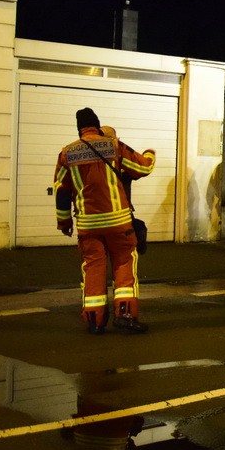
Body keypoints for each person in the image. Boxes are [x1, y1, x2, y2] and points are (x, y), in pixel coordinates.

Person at [54, 108, 156, 334]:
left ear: (79, 128)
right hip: (118, 223)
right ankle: (126, 315)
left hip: (88, 225)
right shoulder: (113, 145)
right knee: (123, 265)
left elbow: (61, 191)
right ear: (97, 125)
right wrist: (151, 153)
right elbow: (142, 166)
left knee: (93, 268)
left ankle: (95, 320)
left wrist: (64, 223)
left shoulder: (66, 153)